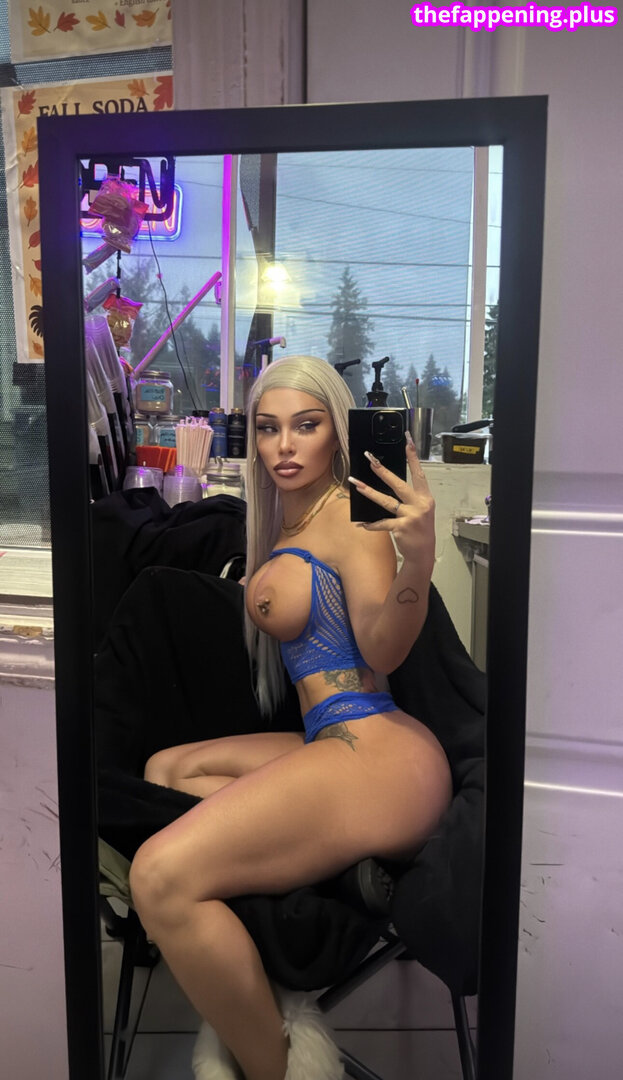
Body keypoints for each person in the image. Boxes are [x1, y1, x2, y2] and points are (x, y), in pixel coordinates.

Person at [129, 356, 452, 1080]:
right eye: (267, 428)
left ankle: (274, 1066)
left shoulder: (349, 520)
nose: (283, 446)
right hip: (328, 739)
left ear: (337, 433)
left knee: (159, 877)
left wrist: (418, 560)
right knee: (165, 771)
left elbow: (383, 650)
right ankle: (317, 878)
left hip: (377, 753)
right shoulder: (287, 517)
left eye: (305, 426)